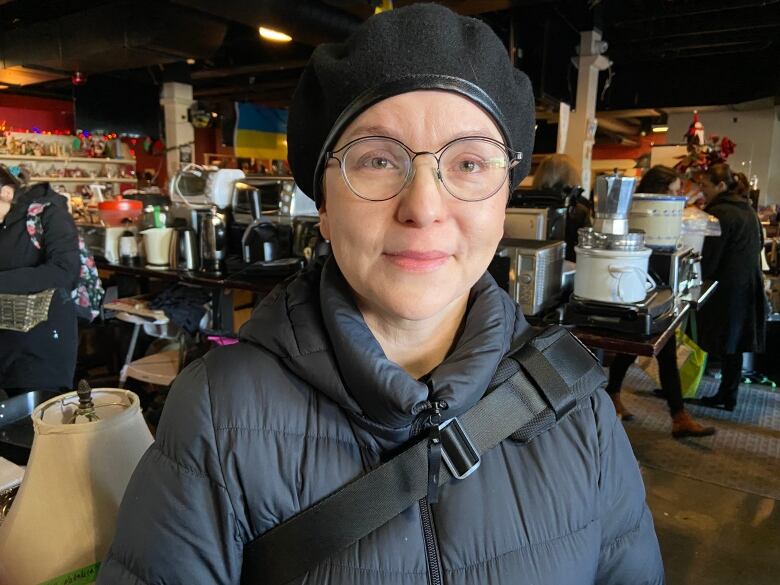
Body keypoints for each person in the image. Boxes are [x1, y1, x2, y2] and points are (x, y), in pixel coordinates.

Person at [99, 6, 663, 584]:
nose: (422, 207)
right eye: (376, 160)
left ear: (503, 199)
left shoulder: (575, 405)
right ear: (322, 205)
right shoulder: (217, 414)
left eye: (468, 162)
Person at [606, 165, 716, 438]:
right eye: (675, 190)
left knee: (647, 348)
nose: (679, 196)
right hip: (641, 284)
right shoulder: (640, 212)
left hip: (659, 284)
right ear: (661, 189)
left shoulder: (650, 212)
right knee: (646, 347)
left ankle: (619, 396)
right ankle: (676, 416)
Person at [0, 166, 80, 396]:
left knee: (41, 420)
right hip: (7, 340)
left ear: (5, 192)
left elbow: (65, 271)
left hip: (43, 342)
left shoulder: (48, 214)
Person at [695, 163, 765, 410]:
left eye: (705, 186)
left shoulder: (720, 214)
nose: (702, 191)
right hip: (748, 283)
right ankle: (729, 393)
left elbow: (712, 255)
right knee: (734, 344)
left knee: (726, 341)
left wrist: (699, 279)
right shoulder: (746, 209)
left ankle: (726, 393)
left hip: (727, 287)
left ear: (721, 185)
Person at [531, 153, 591, 261]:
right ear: (573, 174)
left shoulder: (526, 201)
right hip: (569, 264)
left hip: (532, 260)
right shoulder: (580, 206)